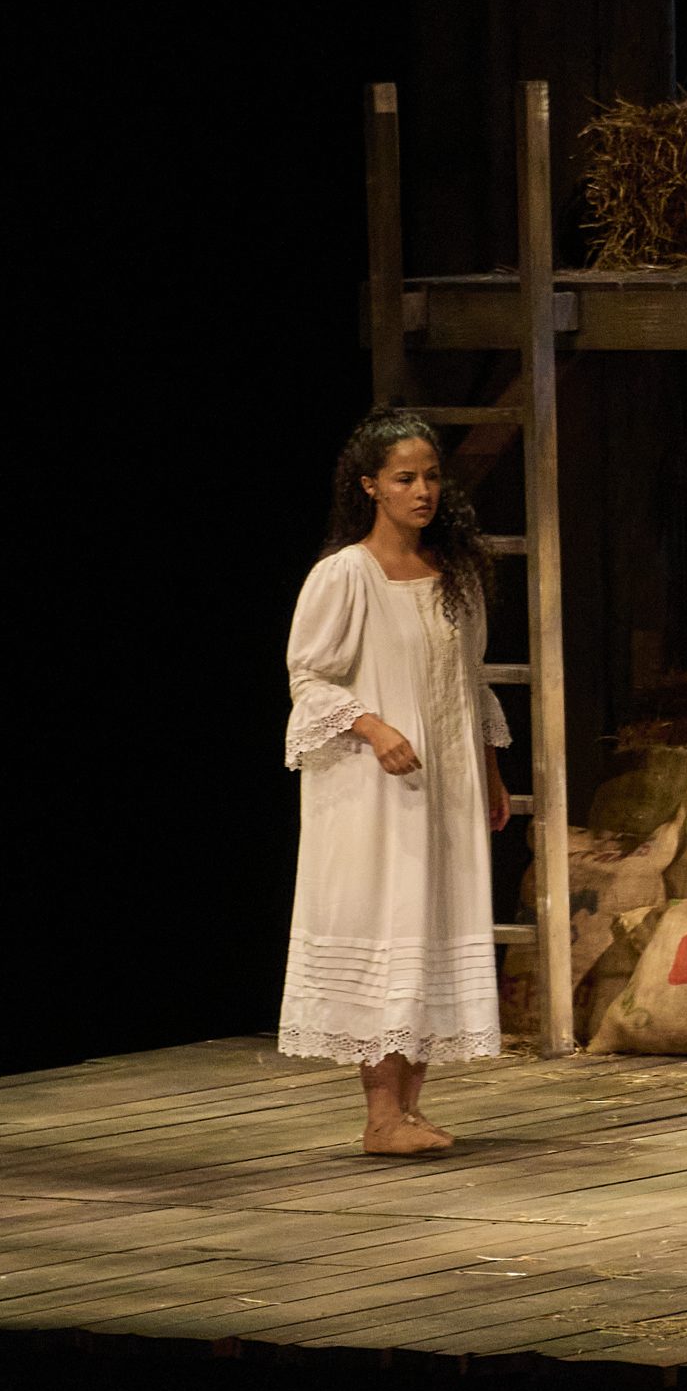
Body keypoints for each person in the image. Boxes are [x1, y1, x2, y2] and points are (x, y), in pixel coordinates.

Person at [281, 407, 512, 1155]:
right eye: (405, 478)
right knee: (387, 923)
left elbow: (470, 683)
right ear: (370, 486)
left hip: (445, 787)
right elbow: (309, 679)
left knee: (431, 926)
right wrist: (373, 727)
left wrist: (490, 771)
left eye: (432, 477)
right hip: (372, 792)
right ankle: (380, 1113)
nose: (423, 491)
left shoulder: (455, 578)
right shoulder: (346, 574)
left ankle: (407, 1110)